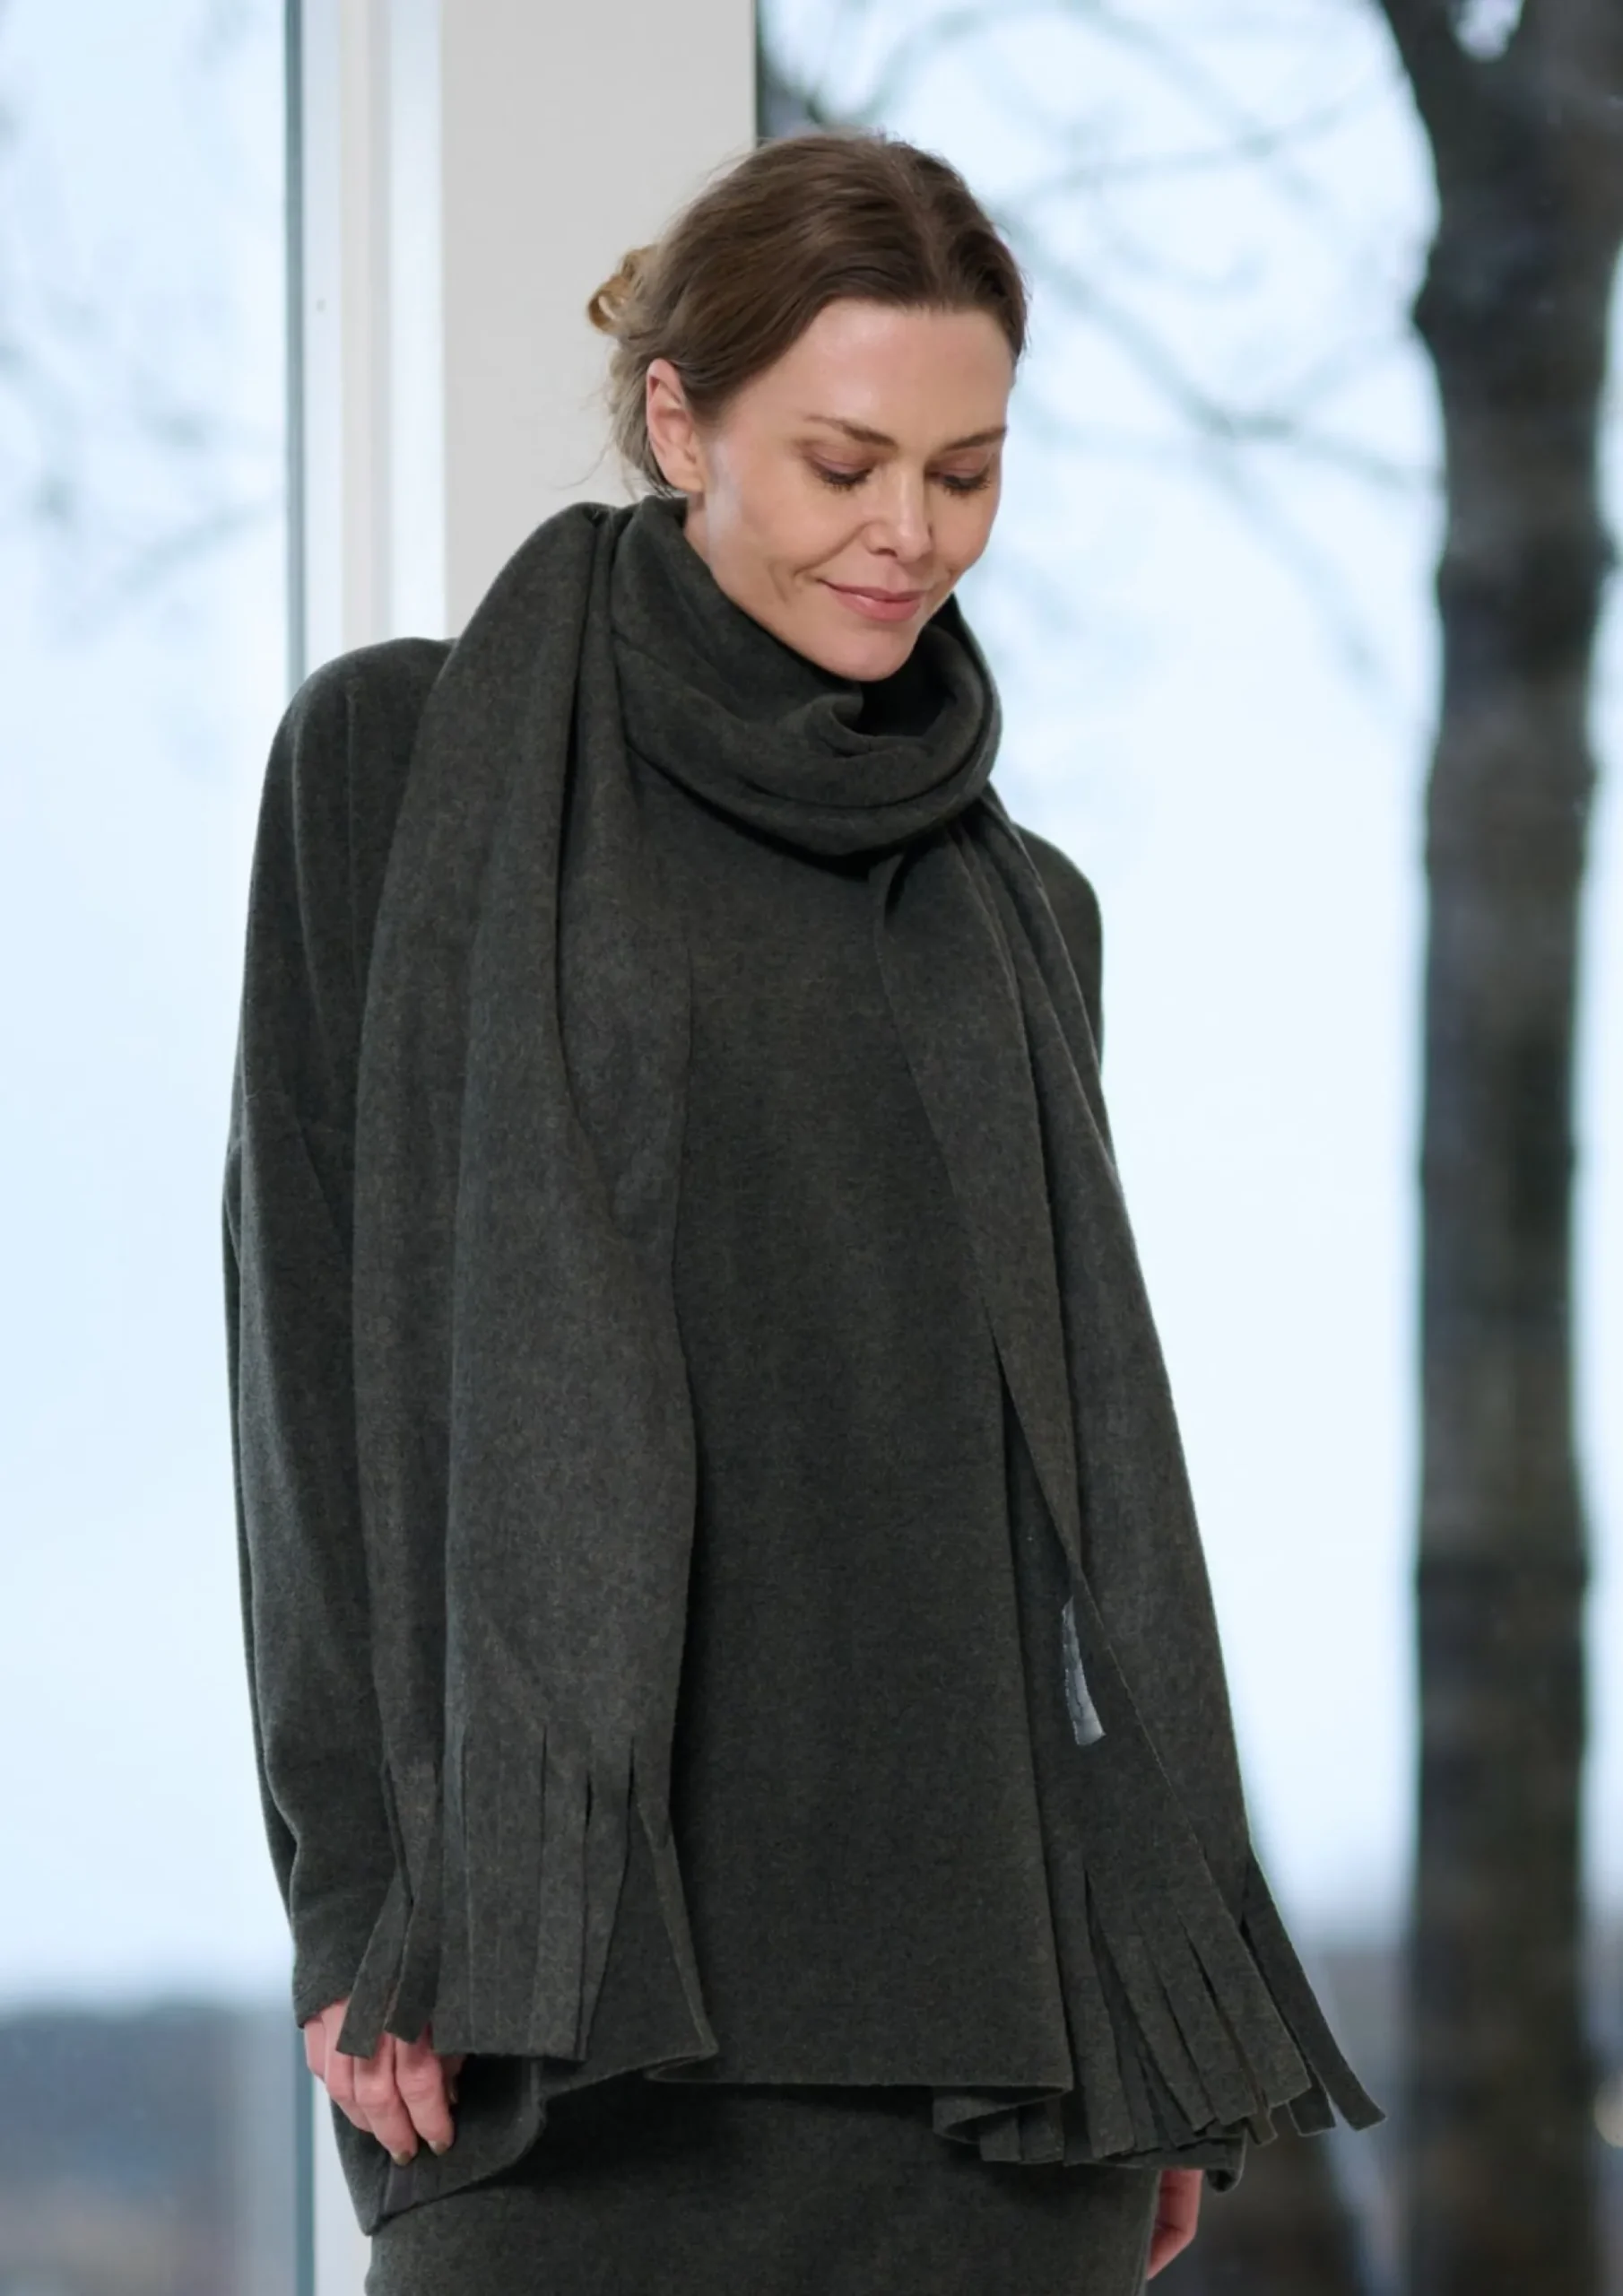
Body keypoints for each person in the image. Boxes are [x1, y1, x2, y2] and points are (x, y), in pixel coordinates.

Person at [222, 127, 1383, 2296]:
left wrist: (1149, 2050)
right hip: (580, 2013)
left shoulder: (1020, 916)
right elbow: (307, 1367)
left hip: (999, 2072)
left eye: (964, 471)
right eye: (844, 461)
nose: (906, 532)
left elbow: (1053, 1518)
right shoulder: (404, 765)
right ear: (682, 422)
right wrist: (353, 1888)